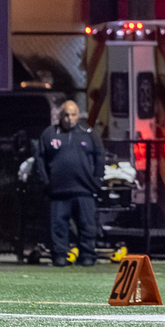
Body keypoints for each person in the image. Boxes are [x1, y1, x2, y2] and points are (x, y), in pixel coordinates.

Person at [35, 99, 106, 266]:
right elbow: (40, 158)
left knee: (87, 225)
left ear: (78, 115)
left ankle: (87, 255)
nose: (69, 118)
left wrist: (96, 180)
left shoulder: (89, 133)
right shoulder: (49, 133)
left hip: (84, 190)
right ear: (61, 116)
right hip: (59, 191)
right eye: (66, 115)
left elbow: (100, 156)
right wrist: (46, 181)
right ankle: (60, 255)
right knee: (58, 225)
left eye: (73, 115)